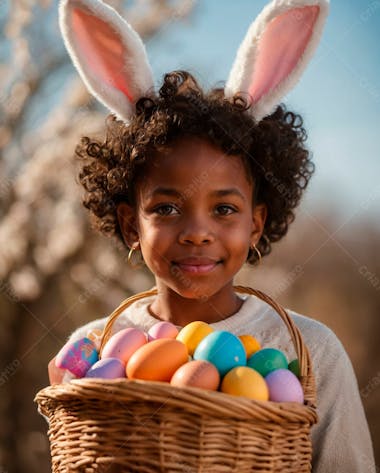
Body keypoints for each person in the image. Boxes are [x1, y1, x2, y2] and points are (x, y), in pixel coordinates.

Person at [49, 0, 375, 471]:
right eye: (166, 208)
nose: (197, 233)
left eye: (224, 209)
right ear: (129, 225)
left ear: (257, 224)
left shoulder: (310, 351)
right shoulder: (93, 350)